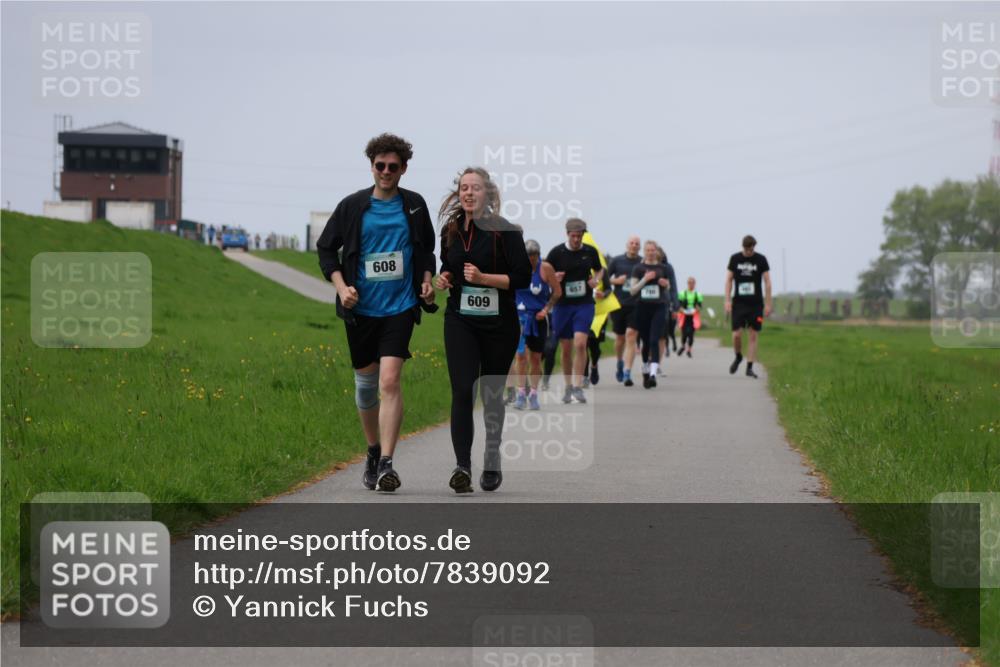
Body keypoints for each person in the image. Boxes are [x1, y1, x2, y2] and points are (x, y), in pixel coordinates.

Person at [317, 133, 437, 492]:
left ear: (404, 168)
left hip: (400, 307)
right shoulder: (353, 206)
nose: (386, 171)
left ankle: (386, 463)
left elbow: (426, 252)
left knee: (389, 380)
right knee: (366, 388)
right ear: (371, 166)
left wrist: (427, 280)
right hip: (361, 310)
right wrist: (342, 287)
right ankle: (372, 450)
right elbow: (326, 251)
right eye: (380, 165)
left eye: (393, 166)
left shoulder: (414, 205)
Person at [435, 167, 531, 493]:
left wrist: (484, 279)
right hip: (460, 320)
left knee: (491, 394)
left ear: (487, 194)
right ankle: (462, 466)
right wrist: (444, 278)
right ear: (459, 192)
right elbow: (447, 266)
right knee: (463, 389)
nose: (469, 193)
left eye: (475, 188)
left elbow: (522, 278)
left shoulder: (506, 231)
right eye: (464, 187)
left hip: (500, 325)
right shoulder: (451, 230)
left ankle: (492, 456)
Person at [544, 219, 604, 404]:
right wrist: (553, 277)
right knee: (567, 347)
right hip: (562, 305)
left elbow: (600, 270)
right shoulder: (556, 253)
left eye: (579, 236)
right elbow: (544, 274)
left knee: (580, 343)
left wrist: (596, 280)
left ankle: (578, 386)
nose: (577, 239)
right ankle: (569, 386)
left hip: (584, 303)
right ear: (567, 234)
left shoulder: (589, 252)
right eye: (573, 236)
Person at [513, 239, 561, 410]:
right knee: (520, 356)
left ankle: (533, 393)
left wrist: (546, 309)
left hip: (538, 318)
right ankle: (520, 393)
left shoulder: (546, 268)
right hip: (519, 318)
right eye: (528, 256)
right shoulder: (516, 267)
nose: (531, 260)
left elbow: (557, 292)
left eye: (534, 256)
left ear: (538, 255)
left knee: (535, 358)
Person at [725, 234, 772, 378]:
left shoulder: (761, 259)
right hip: (739, 303)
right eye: (747, 250)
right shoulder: (735, 259)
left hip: (756, 304)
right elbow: (729, 280)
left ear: (754, 247)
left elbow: (767, 282)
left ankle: (749, 367)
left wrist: (768, 303)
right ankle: (738, 356)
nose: (749, 252)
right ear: (743, 247)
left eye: (751, 250)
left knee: (753, 335)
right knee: (736, 335)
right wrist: (727, 300)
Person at [630, 240, 671, 389]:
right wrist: (645, 279)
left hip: (659, 307)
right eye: (647, 250)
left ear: (656, 252)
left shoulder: (663, 268)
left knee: (654, 340)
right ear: (644, 252)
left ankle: (653, 374)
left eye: (652, 250)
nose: (650, 253)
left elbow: (668, 285)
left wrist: (665, 284)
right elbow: (632, 290)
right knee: (646, 342)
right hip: (642, 307)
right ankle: (645, 370)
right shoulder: (638, 268)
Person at [608, 236, 642, 385]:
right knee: (620, 338)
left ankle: (628, 372)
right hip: (618, 304)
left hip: (636, 305)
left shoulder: (642, 262)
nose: (634, 246)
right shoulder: (616, 261)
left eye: (637, 244)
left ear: (639, 247)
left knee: (631, 335)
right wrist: (616, 281)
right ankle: (620, 362)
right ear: (627, 245)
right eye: (632, 243)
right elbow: (604, 279)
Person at [676, 277, 704, 357]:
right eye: (689, 283)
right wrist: (681, 310)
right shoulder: (682, 293)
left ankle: (689, 349)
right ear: (687, 283)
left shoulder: (698, 294)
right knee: (684, 334)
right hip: (684, 316)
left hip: (693, 317)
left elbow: (700, 305)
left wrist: (696, 309)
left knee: (691, 334)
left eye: (692, 283)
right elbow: (679, 304)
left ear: (694, 284)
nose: (691, 284)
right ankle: (683, 346)